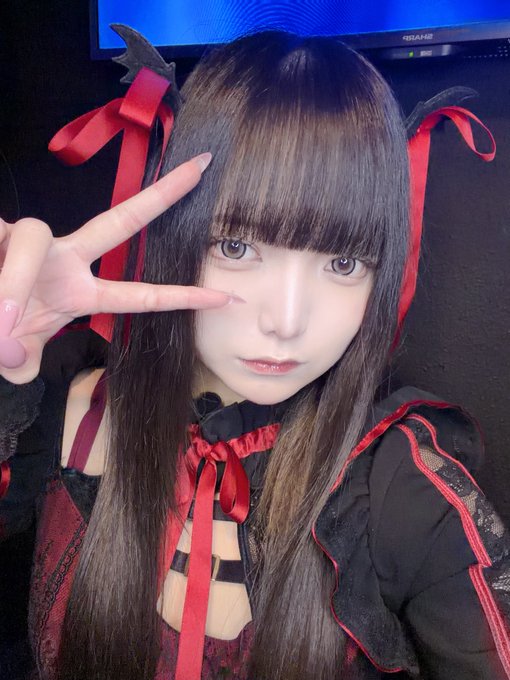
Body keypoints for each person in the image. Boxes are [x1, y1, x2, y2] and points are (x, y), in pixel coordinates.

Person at [1, 30, 509, 680]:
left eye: (344, 263)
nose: (286, 322)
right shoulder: (67, 410)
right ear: (175, 234)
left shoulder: (402, 489)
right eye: (236, 247)